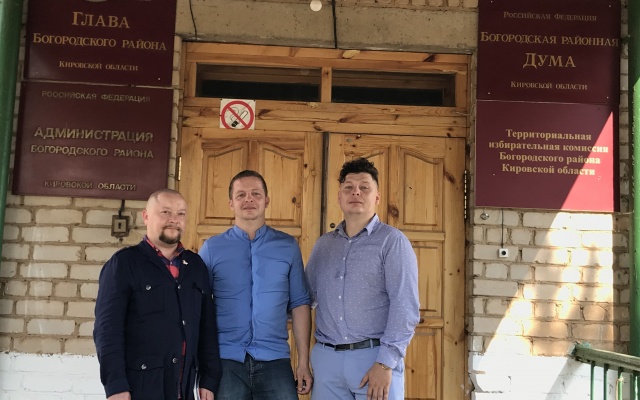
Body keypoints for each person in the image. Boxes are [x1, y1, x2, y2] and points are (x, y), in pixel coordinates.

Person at [305, 158, 420, 400]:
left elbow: (405, 307)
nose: (355, 192)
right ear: (339, 197)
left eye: (364, 187)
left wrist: (385, 363)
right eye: (348, 187)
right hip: (327, 362)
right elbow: (305, 299)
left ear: (377, 197)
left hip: (374, 359)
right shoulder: (324, 245)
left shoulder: (392, 242)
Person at [94, 189, 222, 400]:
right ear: (146, 216)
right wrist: (115, 386)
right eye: (165, 212)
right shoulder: (124, 264)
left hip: (183, 388)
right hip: (139, 389)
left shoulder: (196, 266)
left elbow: (206, 327)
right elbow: (107, 330)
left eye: (181, 214)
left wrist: (209, 378)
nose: (174, 219)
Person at [199, 170, 313, 400]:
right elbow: (199, 306)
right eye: (241, 195)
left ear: (266, 200)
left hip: (275, 360)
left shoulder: (288, 246)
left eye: (255, 194)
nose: (248, 199)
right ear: (231, 203)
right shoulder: (211, 248)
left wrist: (303, 362)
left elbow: (300, 303)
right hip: (226, 360)